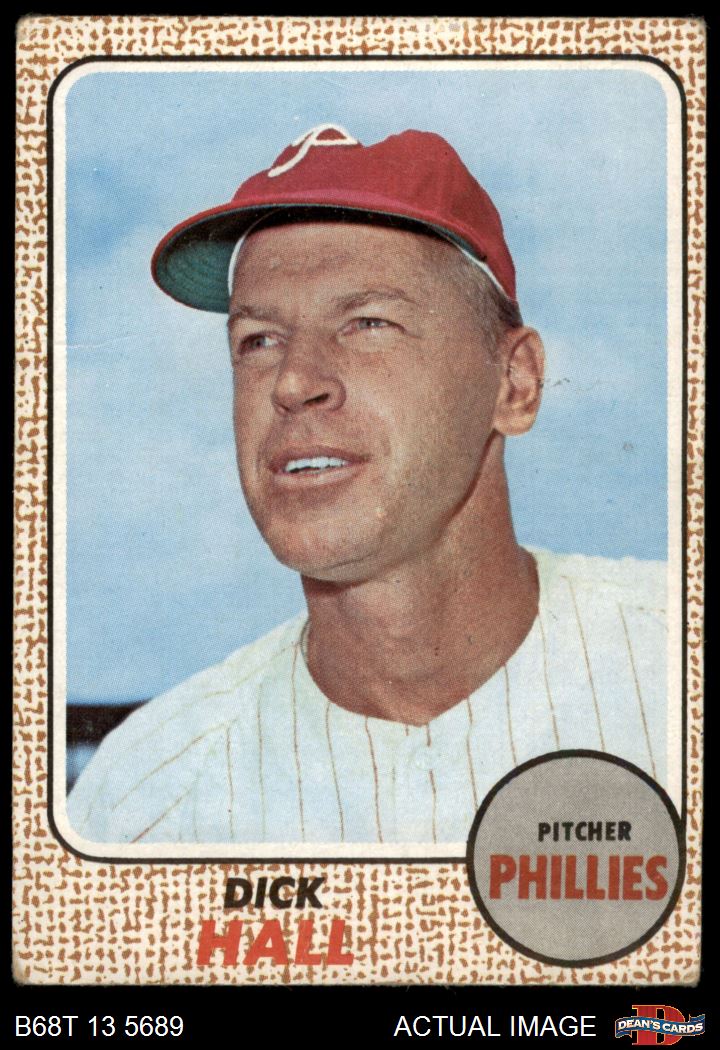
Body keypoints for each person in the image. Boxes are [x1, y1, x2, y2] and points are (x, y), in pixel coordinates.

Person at [67, 125, 667, 846]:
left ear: (515, 383)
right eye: (258, 340)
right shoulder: (140, 801)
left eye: (366, 322)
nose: (293, 382)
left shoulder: (672, 663)